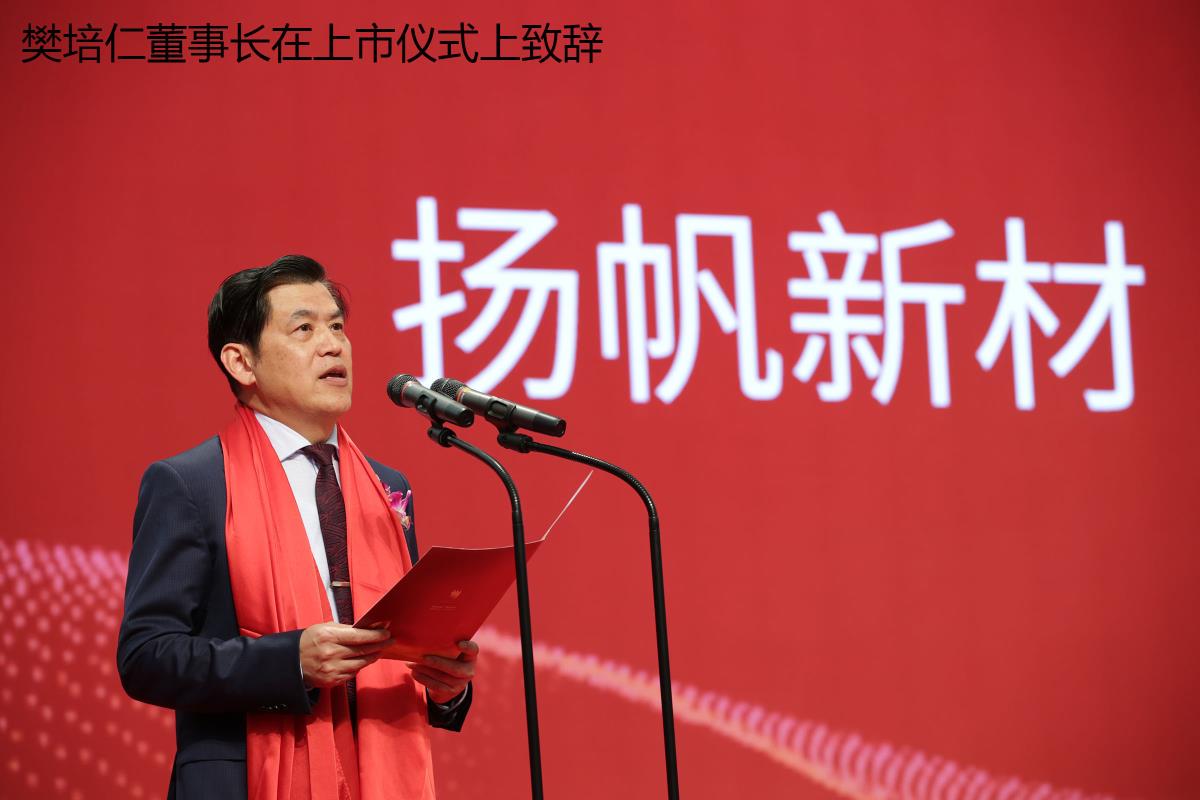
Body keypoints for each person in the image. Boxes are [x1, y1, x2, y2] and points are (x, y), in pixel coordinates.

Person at [117, 255, 476, 800]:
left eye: (337, 327)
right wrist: (289, 663)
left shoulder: (386, 487)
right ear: (242, 362)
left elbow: (398, 646)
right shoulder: (192, 483)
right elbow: (146, 657)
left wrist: (445, 687)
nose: (333, 346)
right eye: (304, 329)